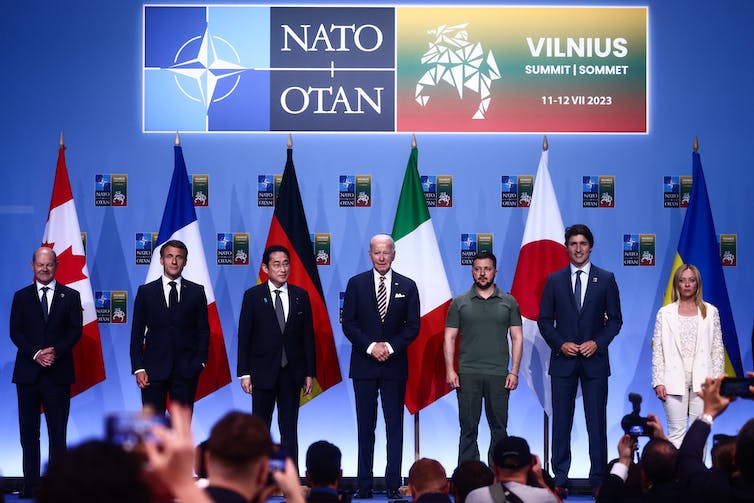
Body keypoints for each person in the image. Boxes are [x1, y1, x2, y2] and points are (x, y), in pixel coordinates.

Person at [538, 224, 623, 497]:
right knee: (561, 422)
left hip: (595, 361)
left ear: (590, 246)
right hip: (563, 361)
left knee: (596, 423)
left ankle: (598, 479)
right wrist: (560, 343)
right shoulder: (554, 280)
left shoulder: (606, 279)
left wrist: (596, 342)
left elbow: (616, 320)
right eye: (573, 243)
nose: (578, 248)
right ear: (567, 247)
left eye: (582, 243)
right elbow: (543, 320)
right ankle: (560, 479)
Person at [342, 234, 420, 499]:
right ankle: (363, 486)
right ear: (370, 254)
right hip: (364, 366)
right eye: (377, 252)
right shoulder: (356, 284)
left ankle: (392, 486)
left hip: (394, 366)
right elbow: (349, 323)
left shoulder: (408, 286)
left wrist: (389, 347)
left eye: (387, 252)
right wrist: (371, 346)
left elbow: (413, 327)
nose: (382, 257)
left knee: (394, 427)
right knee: (366, 427)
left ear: (394, 254)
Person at [10, 247, 83, 498]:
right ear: (32, 266)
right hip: (28, 375)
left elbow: (75, 331)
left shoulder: (70, 296)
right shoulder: (21, 297)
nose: (44, 269)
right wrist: (36, 354)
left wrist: (54, 353)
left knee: (57, 433)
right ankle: (30, 484)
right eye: (40, 265)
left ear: (56, 265)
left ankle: (57, 486)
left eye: (49, 265)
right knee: (28, 434)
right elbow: (15, 332)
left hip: (58, 373)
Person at [237, 245, 316, 467]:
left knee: (289, 428)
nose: (282, 269)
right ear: (265, 268)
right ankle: (258, 477)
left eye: (286, 263)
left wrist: (310, 372)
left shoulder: (301, 296)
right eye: (276, 264)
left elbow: (307, 337)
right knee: (259, 429)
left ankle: (289, 477)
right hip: (262, 372)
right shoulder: (253, 296)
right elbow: (245, 336)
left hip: (291, 373)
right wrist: (244, 373)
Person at [444, 251, 523, 466]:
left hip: (499, 374)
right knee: (468, 429)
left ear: (495, 272)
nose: (482, 273)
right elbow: (449, 337)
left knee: (499, 429)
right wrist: (450, 370)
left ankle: (499, 475)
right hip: (467, 374)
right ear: (472, 271)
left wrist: (514, 371)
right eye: (478, 269)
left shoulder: (509, 302)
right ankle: (468, 477)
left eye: (487, 269)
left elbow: (517, 337)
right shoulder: (460, 302)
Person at [130, 239, 210, 415]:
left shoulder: (197, 292)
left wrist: (200, 362)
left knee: (181, 430)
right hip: (152, 371)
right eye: (169, 256)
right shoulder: (146, 292)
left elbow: (203, 331)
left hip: (186, 371)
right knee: (153, 429)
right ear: (161, 260)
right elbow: (136, 333)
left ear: (185, 262)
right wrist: (138, 368)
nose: (174, 261)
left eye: (179, 257)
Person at [651, 263, 724, 447]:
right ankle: (677, 476)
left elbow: (717, 350)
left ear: (697, 284)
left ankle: (697, 475)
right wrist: (658, 380)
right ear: (677, 284)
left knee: (700, 433)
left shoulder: (711, 312)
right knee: (676, 433)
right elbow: (658, 350)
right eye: (682, 281)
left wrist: (717, 382)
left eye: (691, 280)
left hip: (704, 381)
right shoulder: (665, 313)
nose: (687, 284)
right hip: (673, 379)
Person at [677, 374, 754, 502]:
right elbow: (687, 458)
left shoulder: (708, 491)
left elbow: (686, 458)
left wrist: (709, 412)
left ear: (734, 456)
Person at [597, 414, 681, 503]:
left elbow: (605, 498)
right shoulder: (689, 495)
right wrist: (662, 441)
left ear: (644, 476)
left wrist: (623, 461)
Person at [465, 436, 559, 503]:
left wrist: (495, 481)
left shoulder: (474, 497)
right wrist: (540, 481)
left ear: (495, 465)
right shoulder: (544, 498)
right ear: (532, 464)